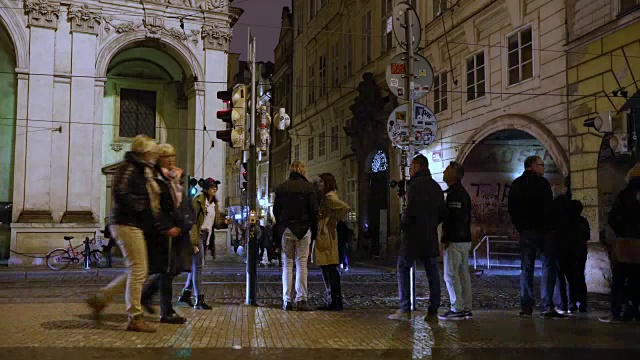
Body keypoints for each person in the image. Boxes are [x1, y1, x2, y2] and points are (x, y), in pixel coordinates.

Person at [86, 135, 172, 332]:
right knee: (139, 269)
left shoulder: (144, 170)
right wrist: (143, 208)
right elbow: (122, 193)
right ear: (145, 153)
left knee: (137, 269)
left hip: (134, 223)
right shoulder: (130, 168)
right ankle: (135, 317)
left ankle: (101, 299)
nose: (155, 156)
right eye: (153, 153)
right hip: (127, 223)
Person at [389, 155, 445, 321]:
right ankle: (433, 309)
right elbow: (442, 212)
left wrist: (404, 225)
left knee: (403, 267)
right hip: (429, 234)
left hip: (412, 235)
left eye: (412, 167)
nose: (410, 171)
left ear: (418, 166)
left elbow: (410, 209)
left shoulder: (413, 185)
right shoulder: (436, 187)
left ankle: (405, 309)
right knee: (432, 271)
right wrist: (432, 224)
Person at [508, 155, 565, 319]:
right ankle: (547, 305)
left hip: (526, 232)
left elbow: (512, 208)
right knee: (548, 266)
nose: (543, 167)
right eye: (541, 164)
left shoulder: (517, 184)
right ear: (532, 166)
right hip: (544, 231)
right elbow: (548, 208)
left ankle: (526, 307)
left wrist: (520, 227)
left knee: (526, 268)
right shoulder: (543, 183)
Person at [140, 143, 191, 324]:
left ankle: (147, 296)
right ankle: (165, 311)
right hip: (165, 230)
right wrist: (166, 226)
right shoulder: (156, 178)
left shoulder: (174, 177)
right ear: (159, 158)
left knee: (170, 270)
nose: (171, 160)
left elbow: (181, 201)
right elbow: (157, 207)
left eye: (173, 156)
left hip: (177, 228)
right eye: (167, 156)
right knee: (167, 271)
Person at [273, 161, 319, 311]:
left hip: (286, 228)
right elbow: (313, 211)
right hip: (304, 229)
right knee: (302, 264)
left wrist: (281, 224)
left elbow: (276, 211)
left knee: (287, 264)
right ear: (303, 171)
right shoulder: (309, 188)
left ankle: (287, 300)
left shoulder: (282, 187)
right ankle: (301, 298)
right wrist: (314, 230)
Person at [177, 177, 227, 310]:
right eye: (212, 186)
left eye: (216, 187)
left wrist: (224, 222)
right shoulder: (198, 201)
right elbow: (193, 223)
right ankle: (199, 299)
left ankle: (186, 294)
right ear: (206, 189)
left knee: (196, 266)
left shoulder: (214, 204)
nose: (215, 189)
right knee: (198, 267)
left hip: (206, 237)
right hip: (197, 235)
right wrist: (193, 243)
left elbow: (215, 223)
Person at [600, 164, 640, 323]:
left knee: (620, 279)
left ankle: (618, 312)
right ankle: (635, 309)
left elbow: (613, 218)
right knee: (637, 280)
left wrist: (620, 232)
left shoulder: (624, 195)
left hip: (625, 244)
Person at [439, 162, 473, 320]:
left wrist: (446, 237)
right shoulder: (462, 192)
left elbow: (454, 218)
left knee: (450, 275)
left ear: (454, 174)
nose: (444, 172)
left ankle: (456, 308)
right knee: (463, 274)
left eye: (447, 170)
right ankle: (466, 307)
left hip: (455, 239)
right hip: (465, 238)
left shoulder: (454, 194)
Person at [314, 173, 350, 311]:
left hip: (326, 234)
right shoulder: (327, 197)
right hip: (326, 233)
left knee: (329, 267)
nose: (319, 184)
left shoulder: (329, 197)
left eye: (321, 182)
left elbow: (345, 207)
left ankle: (334, 300)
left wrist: (332, 219)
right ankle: (333, 299)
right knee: (328, 267)